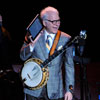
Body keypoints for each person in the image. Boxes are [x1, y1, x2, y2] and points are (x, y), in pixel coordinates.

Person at [20, 6, 75, 100]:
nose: (56, 24)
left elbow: (69, 65)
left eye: (58, 21)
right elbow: (22, 57)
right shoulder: (32, 35)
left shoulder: (66, 39)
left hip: (55, 90)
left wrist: (69, 90)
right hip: (33, 89)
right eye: (53, 21)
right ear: (44, 22)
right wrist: (32, 46)